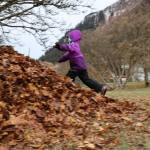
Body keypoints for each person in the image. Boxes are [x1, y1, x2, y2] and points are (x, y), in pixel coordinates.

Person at [54, 29, 107, 96]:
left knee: (67, 79)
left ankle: (69, 92)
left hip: (76, 67)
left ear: (73, 38)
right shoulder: (74, 47)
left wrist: (60, 47)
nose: (68, 40)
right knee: (86, 80)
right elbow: (66, 56)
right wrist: (59, 60)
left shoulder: (74, 45)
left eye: (70, 38)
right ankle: (101, 88)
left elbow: (67, 47)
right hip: (82, 67)